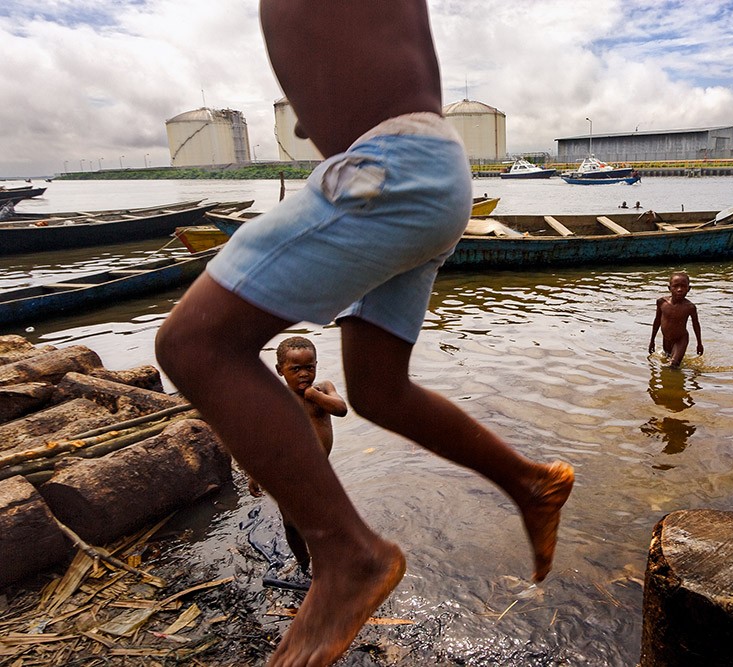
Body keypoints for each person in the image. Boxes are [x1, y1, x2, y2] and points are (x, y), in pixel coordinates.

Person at [154, 3, 574, 666]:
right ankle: (530, 483)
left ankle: (348, 554)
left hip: (390, 173)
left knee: (194, 344)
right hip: (425, 170)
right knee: (378, 388)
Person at [247, 336, 348, 576]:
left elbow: (341, 409)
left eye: (309, 367)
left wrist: (314, 396)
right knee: (291, 524)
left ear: (316, 366)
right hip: (288, 474)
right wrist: (254, 473)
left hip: (319, 473)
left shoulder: (323, 389)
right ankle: (304, 566)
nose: (304, 374)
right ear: (280, 371)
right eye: (295, 369)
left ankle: (327, 566)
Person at [648, 271, 704, 368]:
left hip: (680, 339)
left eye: (683, 286)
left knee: (674, 364)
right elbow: (657, 321)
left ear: (688, 289)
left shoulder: (690, 307)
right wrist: (652, 340)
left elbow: (696, 324)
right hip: (666, 339)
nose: (679, 289)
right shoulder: (662, 302)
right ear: (669, 288)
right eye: (676, 286)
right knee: (666, 360)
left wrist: (699, 343)